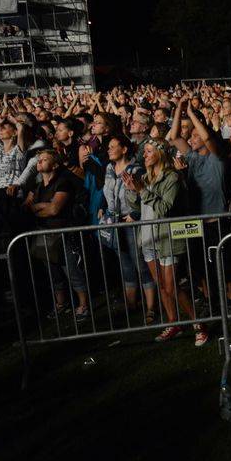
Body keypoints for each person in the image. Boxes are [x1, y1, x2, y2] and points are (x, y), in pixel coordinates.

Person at [122, 140, 208, 346]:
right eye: (145, 152)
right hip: (148, 237)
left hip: (167, 238)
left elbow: (164, 209)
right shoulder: (144, 176)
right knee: (162, 285)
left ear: (160, 154)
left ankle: (199, 324)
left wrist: (141, 190)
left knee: (171, 286)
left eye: (149, 151)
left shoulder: (172, 177)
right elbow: (135, 206)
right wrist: (131, 190)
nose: (145, 155)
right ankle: (173, 322)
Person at [22, 149, 89, 321]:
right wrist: (42, 207)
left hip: (63, 233)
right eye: (39, 159)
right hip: (44, 233)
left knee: (72, 270)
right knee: (53, 273)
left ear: (54, 164)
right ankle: (61, 304)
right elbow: (29, 208)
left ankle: (83, 305)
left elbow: (55, 209)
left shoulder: (63, 183)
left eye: (45, 159)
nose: (40, 162)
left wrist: (38, 207)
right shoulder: (37, 187)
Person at [99, 134, 157, 323]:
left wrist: (136, 215)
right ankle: (131, 304)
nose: (109, 150)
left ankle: (151, 307)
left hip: (131, 223)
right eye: (108, 147)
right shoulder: (108, 168)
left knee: (141, 264)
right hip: (114, 223)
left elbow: (144, 195)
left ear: (124, 149)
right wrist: (102, 207)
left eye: (113, 146)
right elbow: (106, 191)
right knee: (125, 264)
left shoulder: (136, 170)